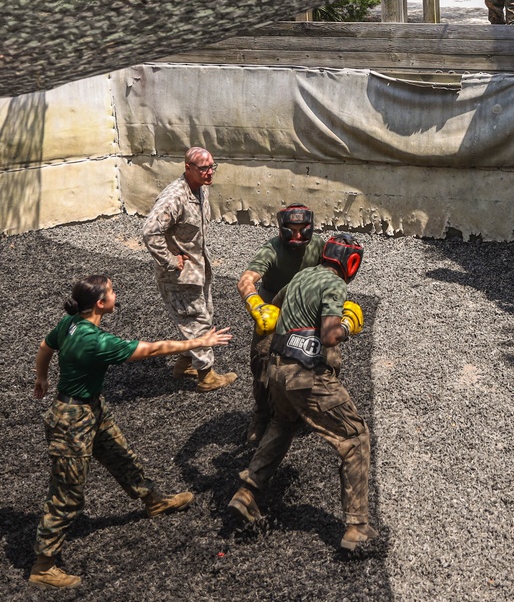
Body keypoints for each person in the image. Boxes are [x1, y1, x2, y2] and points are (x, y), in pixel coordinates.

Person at [29, 275, 233, 589]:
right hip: (71, 422)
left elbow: (46, 345)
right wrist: (199, 342)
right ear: (100, 303)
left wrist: (41, 378)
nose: (115, 294)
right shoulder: (95, 341)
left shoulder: (70, 322)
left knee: (124, 459)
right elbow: (151, 350)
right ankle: (43, 565)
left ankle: (154, 501)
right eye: (110, 291)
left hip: (91, 409)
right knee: (67, 496)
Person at [228, 233, 378, 552]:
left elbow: (273, 311)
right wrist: (349, 323)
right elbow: (329, 336)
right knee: (354, 437)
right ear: (351, 263)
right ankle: (357, 527)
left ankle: (247, 493)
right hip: (306, 374)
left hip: (277, 370)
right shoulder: (335, 285)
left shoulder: (300, 276)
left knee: (283, 423)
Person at [142, 146, 237, 392]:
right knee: (197, 321)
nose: (209, 173)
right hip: (179, 276)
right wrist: (170, 261)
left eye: (212, 167)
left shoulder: (201, 189)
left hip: (198, 269)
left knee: (204, 315)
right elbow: (150, 231)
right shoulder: (175, 197)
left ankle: (186, 363)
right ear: (188, 168)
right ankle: (206, 376)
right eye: (203, 168)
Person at [237, 203, 325, 444]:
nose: (297, 236)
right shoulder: (271, 249)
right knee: (262, 363)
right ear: (281, 229)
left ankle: (304, 409)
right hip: (272, 309)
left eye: (302, 230)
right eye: (291, 230)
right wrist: (256, 304)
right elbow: (246, 280)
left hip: (305, 308)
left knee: (312, 361)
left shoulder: (319, 246)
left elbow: (335, 273)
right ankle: (262, 414)